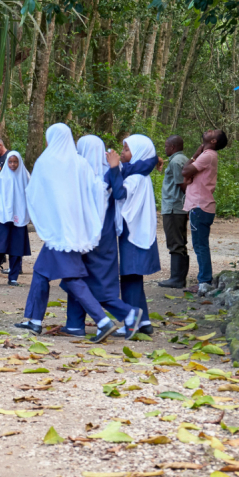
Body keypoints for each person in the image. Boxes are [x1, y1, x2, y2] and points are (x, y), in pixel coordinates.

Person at [16, 123, 120, 344]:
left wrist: (44, 217)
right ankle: (34, 320)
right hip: (75, 230)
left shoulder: (45, 162)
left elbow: (34, 193)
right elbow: (95, 190)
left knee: (73, 279)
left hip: (57, 231)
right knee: (41, 272)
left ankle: (103, 321)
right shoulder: (80, 163)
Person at [60, 135, 145, 340]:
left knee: (87, 280)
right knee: (78, 277)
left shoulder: (87, 175)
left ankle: (128, 313)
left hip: (89, 235)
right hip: (103, 235)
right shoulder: (108, 172)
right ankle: (74, 323)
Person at [118, 135, 161, 336]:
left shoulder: (135, 177)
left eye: (126, 150)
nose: (122, 153)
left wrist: (111, 169)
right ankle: (143, 321)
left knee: (130, 277)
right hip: (139, 232)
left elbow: (119, 194)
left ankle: (130, 324)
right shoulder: (139, 174)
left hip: (133, 233)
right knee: (133, 278)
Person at [182, 129, 228, 294]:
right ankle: (204, 280)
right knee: (200, 244)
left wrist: (195, 153)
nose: (209, 130)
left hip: (200, 206)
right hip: (200, 205)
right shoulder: (208, 155)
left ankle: (204, 282)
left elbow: (185, 171)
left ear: (214, 141)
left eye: (213, 132)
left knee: (200, 245)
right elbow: (186, 175)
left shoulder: (207, 155)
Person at [0, 151, 31, 286]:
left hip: (19, 217)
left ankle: (13, 276)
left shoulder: (25, 177)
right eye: (10, 162)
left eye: (15, 162)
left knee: (16, 248)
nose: (12, 164)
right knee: (0, 245)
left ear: (19, 162)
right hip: (4, 217)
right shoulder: (2, 177)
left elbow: (30, 194)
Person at [158, 135, 190, 289]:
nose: (165, 149)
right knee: (179, 241)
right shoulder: (183, 159)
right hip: (178, 207)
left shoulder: (176, 162)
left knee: (175, 242)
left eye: (166, 146)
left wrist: (190, 203)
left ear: (172, 147)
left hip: (173, 207)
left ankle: (177, 278)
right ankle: (178, 277)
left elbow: (181, 184)